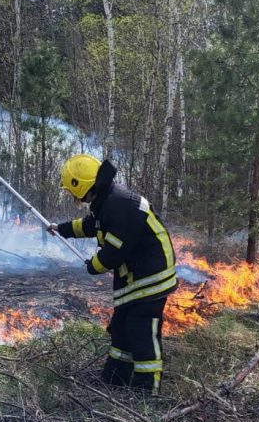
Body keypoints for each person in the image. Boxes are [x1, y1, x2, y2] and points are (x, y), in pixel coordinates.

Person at [49, 155, 177, 393]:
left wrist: (93, 266)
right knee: (121, 327)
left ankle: (147, 389)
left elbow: (112, 253)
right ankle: (117, 376)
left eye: (71, 190)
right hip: (136, 276)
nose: (71, 196)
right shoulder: (106, 201)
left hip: (150, 277)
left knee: (141, 330)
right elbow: (91, 225)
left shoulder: (119, 205)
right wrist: (62, 229)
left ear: (82, 186)